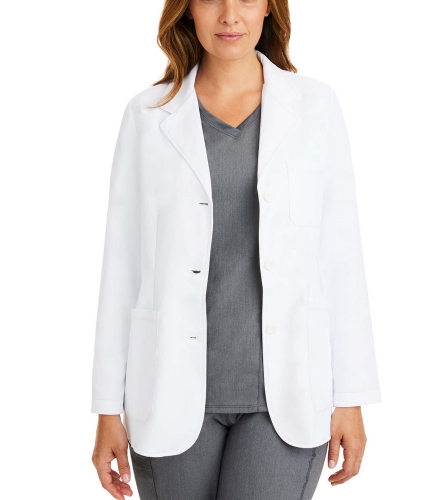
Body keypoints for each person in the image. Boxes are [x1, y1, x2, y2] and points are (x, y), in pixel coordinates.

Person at [90, 0, 382, 499]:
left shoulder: (315, 107)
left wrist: (351, 397)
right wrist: (107, 410)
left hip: (287, 393)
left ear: (269, 8)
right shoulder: (148, 115)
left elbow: (340, 257)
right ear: (187, 9)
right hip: (168, 389)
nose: (229, 15)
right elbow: (122, 265)